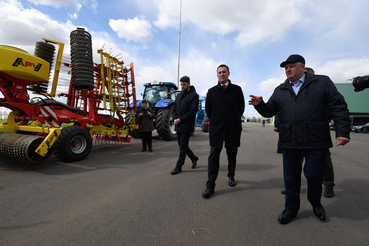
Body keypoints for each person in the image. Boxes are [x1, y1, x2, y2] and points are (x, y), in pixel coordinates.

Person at [249, 54, 350, 224]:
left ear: (303, 67)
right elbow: (269, 111)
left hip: (316, 140)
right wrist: (260, 105)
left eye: (292, 66)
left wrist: (342, 132)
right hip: (290, 141)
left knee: (313, 176)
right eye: (286, 67)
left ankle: (316, 204)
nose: (288, 69)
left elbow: (338, 106)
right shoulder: (280, 90)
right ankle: (291, 208)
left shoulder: (322, 82)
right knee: (291, 178)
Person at [280, 67, 336, 198]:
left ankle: (328, 184)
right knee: (294, 163)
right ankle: (292, 187)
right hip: (296, 135)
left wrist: (320, 122)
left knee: (324, 161)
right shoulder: (290, 89)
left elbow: (332, 107)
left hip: (317, 135)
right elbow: (283, 110)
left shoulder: (320, 86)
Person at [202, 64, 245, 199]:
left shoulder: (237, 90)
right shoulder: (212, 91)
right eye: (219, 72)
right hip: (216, 128)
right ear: (217, 75)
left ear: (228, 73)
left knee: (232, 154)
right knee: (213, 156)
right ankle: (210, 186)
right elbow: (208, 110)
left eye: (224, 72)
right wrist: (216, 119)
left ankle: (231, 175)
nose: (222, 74)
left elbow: (241, 108)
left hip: (233, 128)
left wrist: (232, 118)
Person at [170, 76, 199, 175]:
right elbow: (174, 109)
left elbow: (192, 112)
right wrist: (174, 118)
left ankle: (179, 166)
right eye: (181, 84)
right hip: (178, 124)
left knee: (182, 146)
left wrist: (180, 119)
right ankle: (193, 157)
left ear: (189, 84)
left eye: (184, 84)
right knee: (182, 145)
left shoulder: (194, 96)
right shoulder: (178, 96)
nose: (182, 86)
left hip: (186, 125)